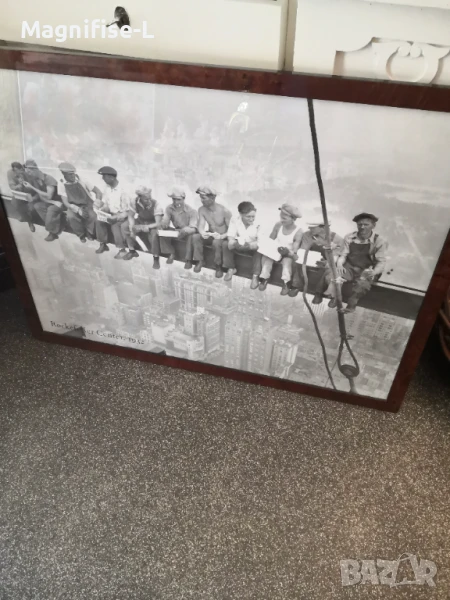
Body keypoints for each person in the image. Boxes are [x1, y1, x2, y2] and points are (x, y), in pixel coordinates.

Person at [318, 213, 388, 312]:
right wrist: (340, 264)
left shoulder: (379, 241)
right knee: (334, 274)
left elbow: (381, 262)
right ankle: (335, 297)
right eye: (360, 224)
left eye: (366, 224)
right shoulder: (349, 237)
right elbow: (343, 255)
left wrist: (374, 272)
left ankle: (351, 305)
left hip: (367, 268)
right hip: (350, 266)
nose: (362, 227)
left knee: (362, 284)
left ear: (373, 225)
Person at [288, 222, 344, 298]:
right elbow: (303, 251)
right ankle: (296, 285)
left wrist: (326, 262)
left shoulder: (337, 239)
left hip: (326, 260)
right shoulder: (307, 234)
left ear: (323, 227)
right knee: (300, 262)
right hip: (310, 258)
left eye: (313, 227)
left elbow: (334, 258)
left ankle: (318, 292)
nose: (309, 229)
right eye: (309, 227)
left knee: (329, 269)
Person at [259, 203, 303, 295]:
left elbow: (295, 251)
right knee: (267, 258)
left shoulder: (298, 231)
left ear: (293, 219)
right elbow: (271, 240)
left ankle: (286, 282)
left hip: (288, 254)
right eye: (281, 217)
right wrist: (267, 246)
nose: (281, 220)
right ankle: (264, 278)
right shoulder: (278, 225)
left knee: (287, 262)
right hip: (276, 252)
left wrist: (288, 252)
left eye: (284, 218)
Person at [191, 186, 232, 278]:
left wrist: (221, 236)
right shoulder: (202, 210)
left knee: (216, 242)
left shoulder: (225, 211)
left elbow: (232, 231)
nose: (201, 200)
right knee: (196, 237)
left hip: (223, 237)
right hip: (211, 234)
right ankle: (200, 260)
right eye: (201, 198)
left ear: (212, 198)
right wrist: (202, 233)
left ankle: (218, 266)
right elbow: (201, 225)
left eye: (203, 198)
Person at [57, 162, 102, 243]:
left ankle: (90, 233)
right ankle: (81, 235)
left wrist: (97, 201)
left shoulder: (82, 179)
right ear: (64, 174)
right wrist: (77, 209)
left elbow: (98, 191)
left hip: (87, 203)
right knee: (71, 217)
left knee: (93, 216)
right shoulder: (61, 183)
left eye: (73, 173)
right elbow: (65, 202)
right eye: (70, 175)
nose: (73, 176)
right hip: (73, 205)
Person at [121, 186, 164, 267]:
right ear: (140, 197)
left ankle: (156, 258)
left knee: (154, 235)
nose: (149, 200)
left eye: (150, 198)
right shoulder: (134, 201)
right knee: (124, 226)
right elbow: (131, 216)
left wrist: (145, 227)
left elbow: (158, 223)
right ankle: (132, 250)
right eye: (146, 199)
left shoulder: (156, 204)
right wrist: (132, 228)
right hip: (141, 220)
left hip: (152, 223)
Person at [94, 166, 131, 258]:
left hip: (123, 215)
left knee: (115, 225)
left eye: (104, 176)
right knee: (98, 221)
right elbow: (106, 204)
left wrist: (117, 217)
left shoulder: (124, 190)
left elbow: (128, 211)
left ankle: (122, 250)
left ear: (112, 177)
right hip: (111, 213)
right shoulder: (107, 188)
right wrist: (102, 209)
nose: (102, 179)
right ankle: (103, 244)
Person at [22, 159, 62, 242]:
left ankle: (53, 232)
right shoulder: (36, 180)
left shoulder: (49, 179)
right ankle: (53, 227)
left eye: (29, 172)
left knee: (51, 210)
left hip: (59, 202)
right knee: (37, 206)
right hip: (51, 202)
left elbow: (49, 196)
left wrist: (32, 187)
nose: (28, 174)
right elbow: (41, 196)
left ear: (35, 169)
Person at [159, 187, 198, 269]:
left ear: (183, 199)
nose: (176, 202)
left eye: (178, 200)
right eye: (174, 199)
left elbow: (193, 228)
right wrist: (164, 223)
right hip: (177, 231)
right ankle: (171, 252)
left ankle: (188, 260)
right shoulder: (169, 208)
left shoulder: (192, 211)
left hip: (187, 232)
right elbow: (166, 220)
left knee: (191, 236)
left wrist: (185, 230)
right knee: (163, 232)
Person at [226, 200, 262, 288]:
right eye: (248, 217)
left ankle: (255, 276)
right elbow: (230, 235)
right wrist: (234, 243)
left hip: (253, 246)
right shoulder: (235, 219)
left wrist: (250, 245)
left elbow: (261, 241)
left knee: (259, 251)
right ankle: (231, 268)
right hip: (240, 244)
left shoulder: (260, 222)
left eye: (253, 216)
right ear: (241, 214)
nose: (251, 219)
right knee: (225, 244)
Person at [7, 162, 35, 232]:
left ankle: (29, 220)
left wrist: (26, 185)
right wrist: (18, 186)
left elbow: (33, 184)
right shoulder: (10, 173)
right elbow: (12, 186)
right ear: (13, 170)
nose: (18, 172)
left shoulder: (26, 172)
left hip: (30, 190)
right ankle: (27, 219)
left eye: (20, 170)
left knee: (27, 204)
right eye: (16, 170)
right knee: (14, 203)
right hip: (19, 191)